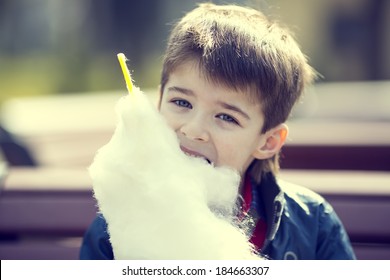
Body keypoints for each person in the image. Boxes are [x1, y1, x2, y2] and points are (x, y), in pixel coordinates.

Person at [80, 2, 356, 260]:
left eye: (226, 117)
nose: (193, 129)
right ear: (158, 101)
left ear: (269, 141)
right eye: (181, 102)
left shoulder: (314, 225)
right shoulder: (115, 226)